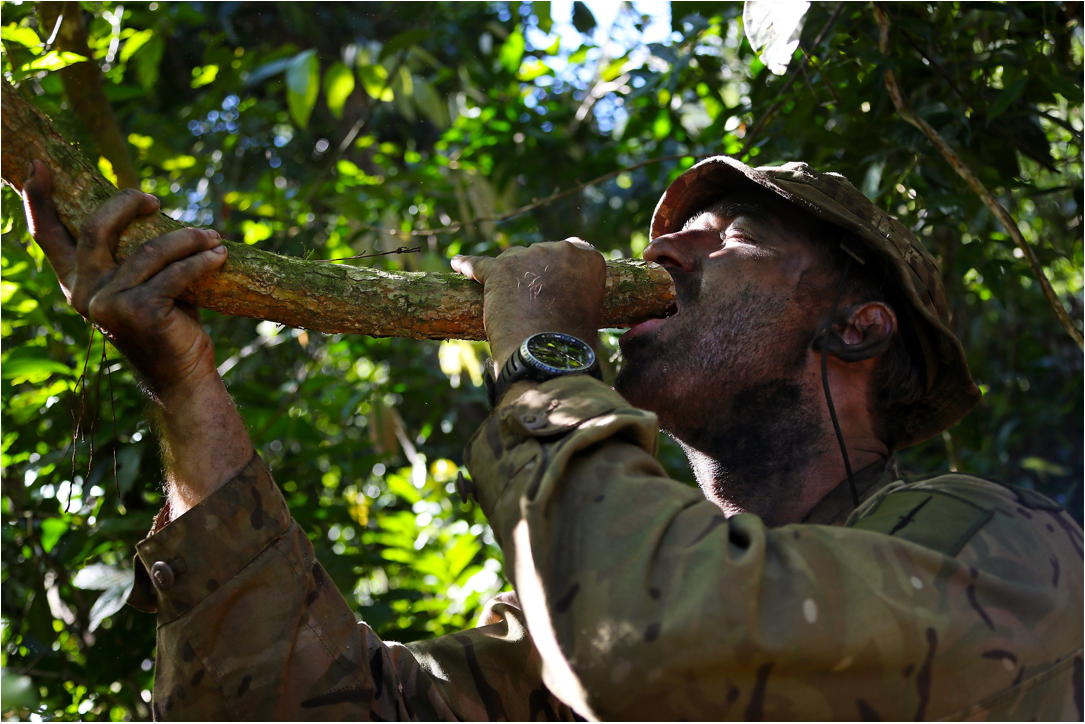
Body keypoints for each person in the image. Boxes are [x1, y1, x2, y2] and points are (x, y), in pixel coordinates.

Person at [20, 156, 1083, 722]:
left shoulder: (1000, 549)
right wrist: (185, 388)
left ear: (857, 322)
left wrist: (540, 351)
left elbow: (649, 647)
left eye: (722, 236)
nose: (663, 247)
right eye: (667, 234)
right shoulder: (573, 606)